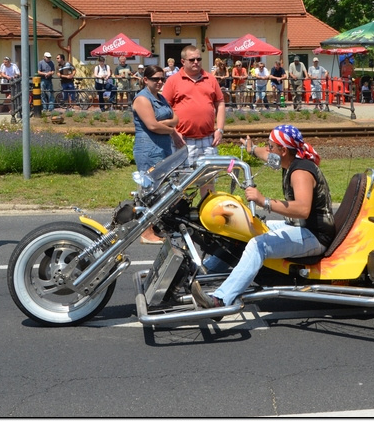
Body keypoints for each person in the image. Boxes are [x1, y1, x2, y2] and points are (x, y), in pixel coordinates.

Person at [191, 125, 333, 309]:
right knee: (244, 229)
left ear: (282, 150)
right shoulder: (288, 160)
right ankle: (206, 274)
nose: (268, 149)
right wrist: (251, 149)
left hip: (314, 234)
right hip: (299, 227)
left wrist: (263, 201)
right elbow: (265, 155)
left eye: (271, 146)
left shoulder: (300, 172)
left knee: (257, 245)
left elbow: (303, 209)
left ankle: (221, 300)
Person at [132, 65, 184, 244]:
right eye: (156, 79)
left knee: (162, 189)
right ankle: (145, 232)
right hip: (148, 149)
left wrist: (166, 123)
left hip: (163, 149)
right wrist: (169, 128)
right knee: (149, 190)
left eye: (162, 78)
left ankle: (156, 226)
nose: (160, 82)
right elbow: (152, 126)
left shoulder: (160, 98)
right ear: (145, 80)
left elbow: (176, 119)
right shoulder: (142, 99)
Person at [161, 45, 226, 166]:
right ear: (183, 61)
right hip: (182, 140)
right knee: (182, 180)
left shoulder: (210, 79)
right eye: (192, 60)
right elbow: (164, 109)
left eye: (199, 59)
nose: (196, 62)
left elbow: (220, 103)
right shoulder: (173, 81)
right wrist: (173, 133)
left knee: (207, 182)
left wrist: (220, 129)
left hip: (208, 140)